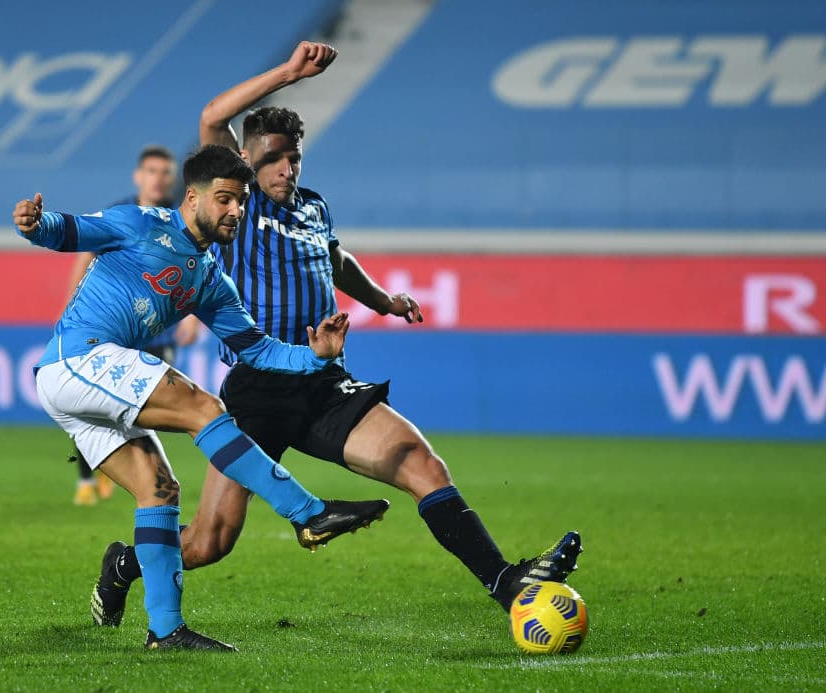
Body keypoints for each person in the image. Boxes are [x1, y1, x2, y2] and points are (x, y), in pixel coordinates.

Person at [89, 42, 582, 629]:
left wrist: (384, 301)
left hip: (325, 382)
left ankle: (507, 586)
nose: (285, 168)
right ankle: (126, 565)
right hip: (258, 390)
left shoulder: (312, 207)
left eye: (292, 157)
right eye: (272, 158)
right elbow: (212, 117)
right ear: (246, 161)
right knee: (209, 541)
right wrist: (289, 74)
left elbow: (336, 260)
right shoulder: (239, 208)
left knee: (419, 462)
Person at [12, 144, 389, 652]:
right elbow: (68, 230)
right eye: (226, 200)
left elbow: (256, 348)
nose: (237, 211)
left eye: (242, 202)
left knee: (160, 490)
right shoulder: (141, 223)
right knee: (205, 408)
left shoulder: (210, 278)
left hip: (81, 384)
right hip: (78, 359)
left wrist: (316, 355)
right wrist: (36, 224)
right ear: (193, 197)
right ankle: (308, 513)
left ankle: (165, 632)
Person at [67, 146, 200, 506]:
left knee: (143, 402)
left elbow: (195, 268)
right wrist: (73, 305)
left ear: (172, 179)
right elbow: (86, 253)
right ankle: (85, 478)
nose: (158, 178)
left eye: (165, 172)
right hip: (116, 327)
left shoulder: (180, 218)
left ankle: (133, 473)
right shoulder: (121, 214)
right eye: (152, 171)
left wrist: (193, 316)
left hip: (160, 328)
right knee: (93, 402)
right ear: (138, 176)